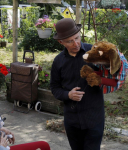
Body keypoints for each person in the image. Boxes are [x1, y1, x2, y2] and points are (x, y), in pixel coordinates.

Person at [50, 18, 127, 150]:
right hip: (72, 119)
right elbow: (54, 88)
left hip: (94, 118)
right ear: (60, 42)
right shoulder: (58, 61)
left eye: (77, 38)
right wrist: (68, 94)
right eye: (70, 41)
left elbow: (113, 73)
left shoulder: (94, 54)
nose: (76, 43)